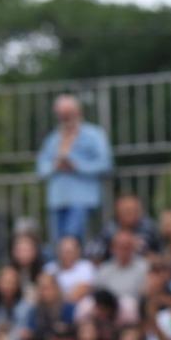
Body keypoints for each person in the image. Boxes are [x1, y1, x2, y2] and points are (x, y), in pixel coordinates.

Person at [36, 94, 114, 241]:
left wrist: (76, 166)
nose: (65, 118)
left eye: (68, 114)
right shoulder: (52, 139)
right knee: (59, 246)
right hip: (57, 200)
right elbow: (41, 169)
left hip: (83, 200)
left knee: (75, 244)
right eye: (62, 115)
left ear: (78, 112)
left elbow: (106, 164)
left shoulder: (94, 134)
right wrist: (55, 166)